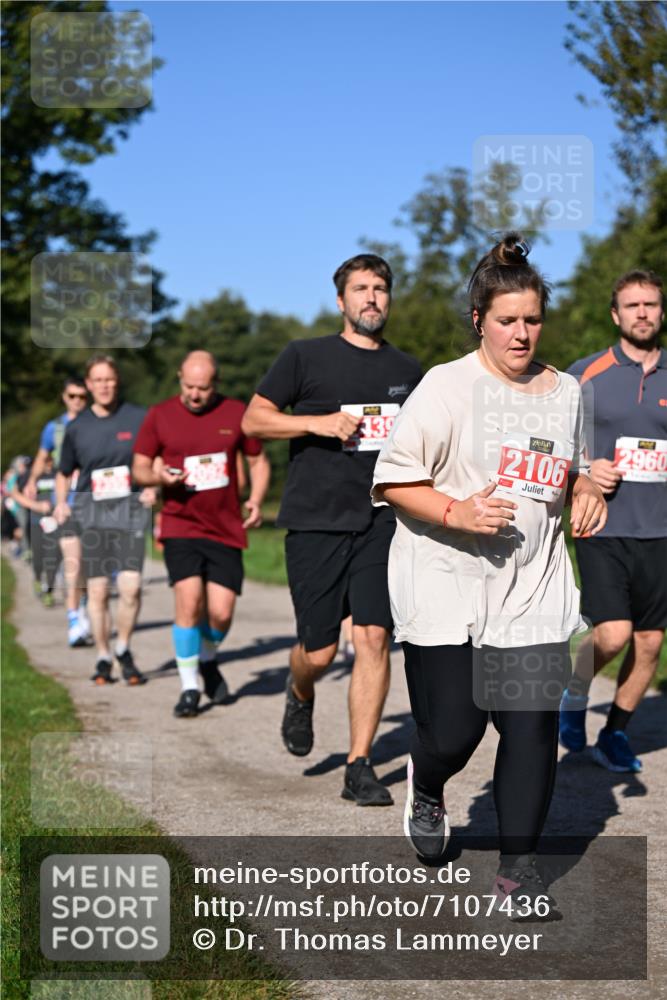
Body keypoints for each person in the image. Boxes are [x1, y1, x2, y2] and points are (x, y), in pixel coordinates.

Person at [372, 233, 606, 912]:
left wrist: (586, 485)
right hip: (442, 579)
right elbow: (394, 482)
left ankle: (516, 873)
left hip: (530, 584)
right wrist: (455, 510)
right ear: (479, 320)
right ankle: (428, 779)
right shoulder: (444, 387)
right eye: (506, 320)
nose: (521, 332)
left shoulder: (564, 393)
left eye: (531, 319)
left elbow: (573, 468)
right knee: (455, 731)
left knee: (531, 726)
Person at [242, 253, 422, 806]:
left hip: (382, 521)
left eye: (381, 289)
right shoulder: (305, 356)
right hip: (317, 521)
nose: (372, 298)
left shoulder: (409, 372)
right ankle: (300, 690)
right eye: (361, 289)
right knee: (318, 654)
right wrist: (313, 423)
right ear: (340, 299)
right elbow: (254, 419)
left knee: (373, 637)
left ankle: (359, 764)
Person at [559, 270, 666, 772]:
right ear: (615, 315)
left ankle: (616, 734)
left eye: (651, 304)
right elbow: (551, 440)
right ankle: (574, 692)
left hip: (660, 531)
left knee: (650, 642)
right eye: (633, 305)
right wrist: (584, 467)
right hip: (602, 524)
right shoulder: (586, 373)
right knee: (615, 633)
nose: (642, 312)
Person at [132, 350, 270, 718]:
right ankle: (189, 687)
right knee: (189, 601)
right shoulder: (159, 415)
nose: (195, 394)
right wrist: (159, 477)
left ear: (216, 384)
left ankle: (208, 658)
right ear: (180, 378)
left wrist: (255, 498)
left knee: (221, 613)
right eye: (189, 386)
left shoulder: (235, 412)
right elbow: (140, 468)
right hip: (180, 523)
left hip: (225, 527)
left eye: (203, 388)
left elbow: (257, 460)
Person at [54, 355, 155, 685]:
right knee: (97, 593)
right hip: (92, 516)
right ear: (88, 384)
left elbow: (156, 457)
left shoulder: (139, 417)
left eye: (109, 379)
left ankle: (123, 648)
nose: (104, 386)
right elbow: (63, 472)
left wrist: (152, 485)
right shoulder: (77, 426)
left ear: (117, 381)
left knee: (131, 588)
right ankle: (102, 655)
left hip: (129, 513)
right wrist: (60, 503)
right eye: (97, 380)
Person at [23, 376, 91, 643]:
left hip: (93, 502)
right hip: (66, 505)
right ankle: (74, 618)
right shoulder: (55, 428)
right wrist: (31, 481)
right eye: (72, 396)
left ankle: (82, 605)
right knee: (73, 563)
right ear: (64, 397)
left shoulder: (97, 425)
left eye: (82, 397)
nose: (77, 401)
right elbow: (41, 457)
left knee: (87, 565)